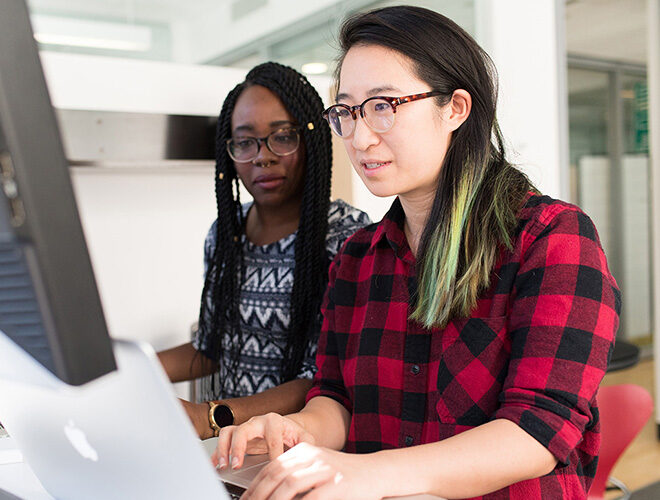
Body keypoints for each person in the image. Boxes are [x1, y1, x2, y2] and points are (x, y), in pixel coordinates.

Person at [211, 6, 621, 499]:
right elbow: (337, 398)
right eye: (346, 111)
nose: (360, 137)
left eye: (383, 105)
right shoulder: (358, 257)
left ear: (455, 108)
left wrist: (370, 473)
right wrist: (296, 431)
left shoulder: (552, 239)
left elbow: (537, 429)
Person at [157, 62, 370, 440]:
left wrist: (211, 417)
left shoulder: (346, 237)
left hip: (304, 450)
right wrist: (126, 370)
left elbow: (324, 378)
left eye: (282, 137)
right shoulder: (225, 234)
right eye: (245, 142)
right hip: (233, 452)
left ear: (311, 141)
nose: (263, 156)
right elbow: (211, 347)